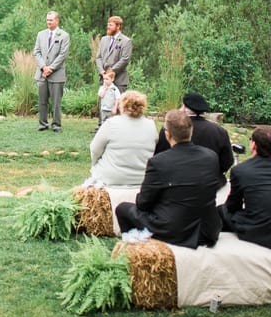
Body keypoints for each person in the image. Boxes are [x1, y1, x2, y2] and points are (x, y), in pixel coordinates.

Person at [115, 110, 224, 248]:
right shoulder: (211, 157)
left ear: (167, 134)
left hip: (174, 231)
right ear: (191, 132)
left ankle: (135, 252)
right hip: (208, 229)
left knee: (123, 209)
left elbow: (143, 203)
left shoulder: (158, 162)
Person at [218, 126, 271, 252]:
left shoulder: (240, 170)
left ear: (253, 145)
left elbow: (233, 205)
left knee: (221, 211)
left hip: (257, 228)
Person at [84, 90, 158, 188]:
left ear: (122, 106)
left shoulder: (111, 124)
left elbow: (94, 149)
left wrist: (95, 164)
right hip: (142, 178)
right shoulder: (151, 125)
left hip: (112, 178)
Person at [155, 92, 233, 177]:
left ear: (184, 108)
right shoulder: (220, 131)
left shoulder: (170, 128)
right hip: (209, 182)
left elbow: (159, 155)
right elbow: (227, 162)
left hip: (175, 180)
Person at [34, 10, 70, 133]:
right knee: (42, 101)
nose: (48, 22)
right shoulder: (41, 34)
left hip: (57, 74)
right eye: (47, 19)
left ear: (57, 20)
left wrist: (51, 68)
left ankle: (56, 125)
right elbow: (37, 52)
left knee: (56, 102)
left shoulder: (64, 35)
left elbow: (63, 54)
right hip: (42, 73)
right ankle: (43, 124)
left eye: (51, 20)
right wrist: (44, 67)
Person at [94, 15, 132, 93]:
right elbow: (98, 57)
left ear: (118, 26)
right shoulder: (104, 39)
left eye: (111, 25)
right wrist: (102, 72)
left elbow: (125, 59)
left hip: (119, 81)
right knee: (104, 104)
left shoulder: (126, 41)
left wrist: (111, 71)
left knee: (118, 105)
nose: (108, 27)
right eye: (108, 25)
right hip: (104, 80)